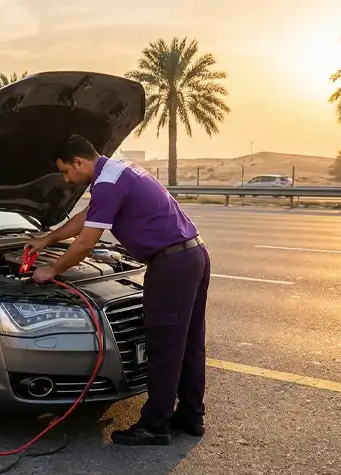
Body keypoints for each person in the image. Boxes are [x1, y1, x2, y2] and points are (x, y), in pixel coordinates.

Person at [26, 134, 210, 446]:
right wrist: (48, 239)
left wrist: (51, 270)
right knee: (190, 343)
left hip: (171, 264)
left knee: (163, 346)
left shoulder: (107, 183)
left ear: (78, 162)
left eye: (66, 171)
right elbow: (87, 218)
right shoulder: (118, 170)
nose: (66, 179)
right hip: (193, 254)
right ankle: (191, 416)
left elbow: (86, 243)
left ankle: (155, 425)